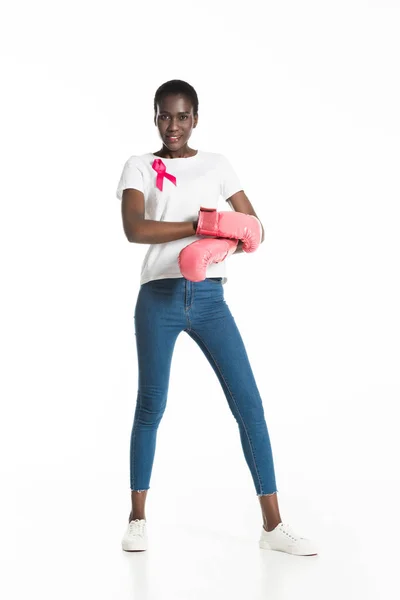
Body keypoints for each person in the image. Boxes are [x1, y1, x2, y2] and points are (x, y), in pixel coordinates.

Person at [115, 79, 318, 556]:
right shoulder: (140, 166)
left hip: (210, 300)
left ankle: (273, 526)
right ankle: (137, 517)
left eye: (182, 116)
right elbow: (134, 228)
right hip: (159, 298)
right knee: (151, 406)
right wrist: (199, 224)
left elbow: (254, 228)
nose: (173, 126)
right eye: (165, 115)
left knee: (249, 404)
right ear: (155, 116)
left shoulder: (218, 166)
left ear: (196, 119)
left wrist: (218, 241)